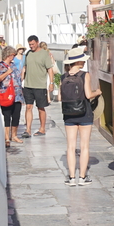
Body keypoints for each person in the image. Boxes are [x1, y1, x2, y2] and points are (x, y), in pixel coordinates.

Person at [60, 44, 101, 185]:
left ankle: (71, 177)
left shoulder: (63, 76)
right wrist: (98, 92)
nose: (84, 61)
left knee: (70, 147)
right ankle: (82, 177)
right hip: (84, 113)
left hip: (68, 114)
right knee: (84, 146)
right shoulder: (85, 75)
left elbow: (60, 98)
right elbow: (89, 95)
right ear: (79, 62)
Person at [22, 34, 56, 137]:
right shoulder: (28, 54)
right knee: (28, 107)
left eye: (32, 44)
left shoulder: (44, 54)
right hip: (28, 85)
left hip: (40, 86)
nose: (31, 46)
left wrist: (51, 83)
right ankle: (28, 130)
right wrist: (20, 80)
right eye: (29, 44)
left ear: (37, 42)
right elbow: (25, 68)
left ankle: (42, 129)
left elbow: (50, 69)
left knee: (41, 108)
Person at [0, 46, 22, 147]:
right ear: (9, 56)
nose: (14, 57)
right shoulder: (1, 66)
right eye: (13, 55)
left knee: (16, 115)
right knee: (7, 116)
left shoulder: (14, 65)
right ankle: (6, 137)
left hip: (17, 95)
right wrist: (7, 73)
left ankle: (14, 135)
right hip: (6, 95)